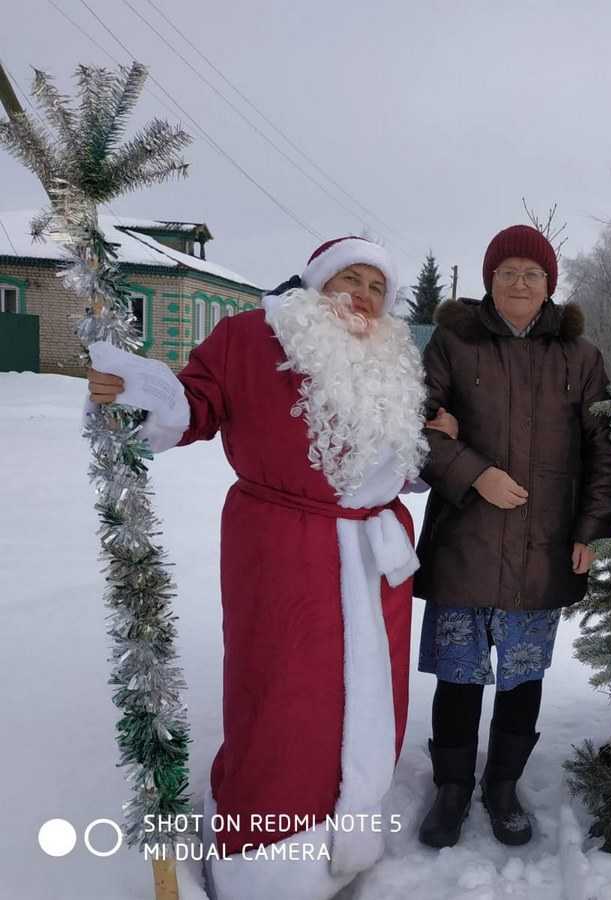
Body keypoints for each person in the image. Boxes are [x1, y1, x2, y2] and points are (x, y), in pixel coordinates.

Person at [86, 236, 451, 900]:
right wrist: (144, 394)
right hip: (287, 555)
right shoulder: (253, 337)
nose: (365, 295)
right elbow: (196, 402)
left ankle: (353, 827)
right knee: (285, 704)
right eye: (353, 279)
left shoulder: (389, 362)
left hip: (374, 567)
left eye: (378, 287)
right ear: (317, 283)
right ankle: (270, 860)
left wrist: (431, 446)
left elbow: (397, 458)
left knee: (371, 702)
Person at [413, 224, 611, 849]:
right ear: (489, 279)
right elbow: (415, 422)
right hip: (465, 538)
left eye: (532, 273)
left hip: (545, 540)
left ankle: (502, 786)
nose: (520, 282)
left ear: (549, 284)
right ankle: (451, 788)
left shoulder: (581, 356)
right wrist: (474, 474)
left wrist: (593, 529)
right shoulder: (452, 342)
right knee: (457, 674)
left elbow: (604, 449)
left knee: (522, 676)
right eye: (507, 270)